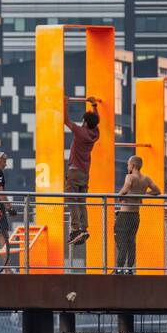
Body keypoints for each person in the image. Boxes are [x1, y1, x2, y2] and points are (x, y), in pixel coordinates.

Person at [115, 155, 162, 274]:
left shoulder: (130, 177)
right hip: (135, 215)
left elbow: (125, 190)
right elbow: (157, 191)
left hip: (125, 214)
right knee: (131, 240)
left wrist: (118, 196)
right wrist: (142, 195)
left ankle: (119, 268)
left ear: (133, 165)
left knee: (121, 240)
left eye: (128, 164)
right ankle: (130, 268)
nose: (127, 166)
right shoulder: (146, 179)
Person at [63, 96, 101, 245]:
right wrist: (94, 105)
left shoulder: (81, 132)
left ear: (85, 122)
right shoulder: (94, 133)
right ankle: (84, 228)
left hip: (74, 171)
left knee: (72, 199)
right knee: (81, 200)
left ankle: (75, 229)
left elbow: (66, 121)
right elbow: (96, 119)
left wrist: (65, 104)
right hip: (85, 173)